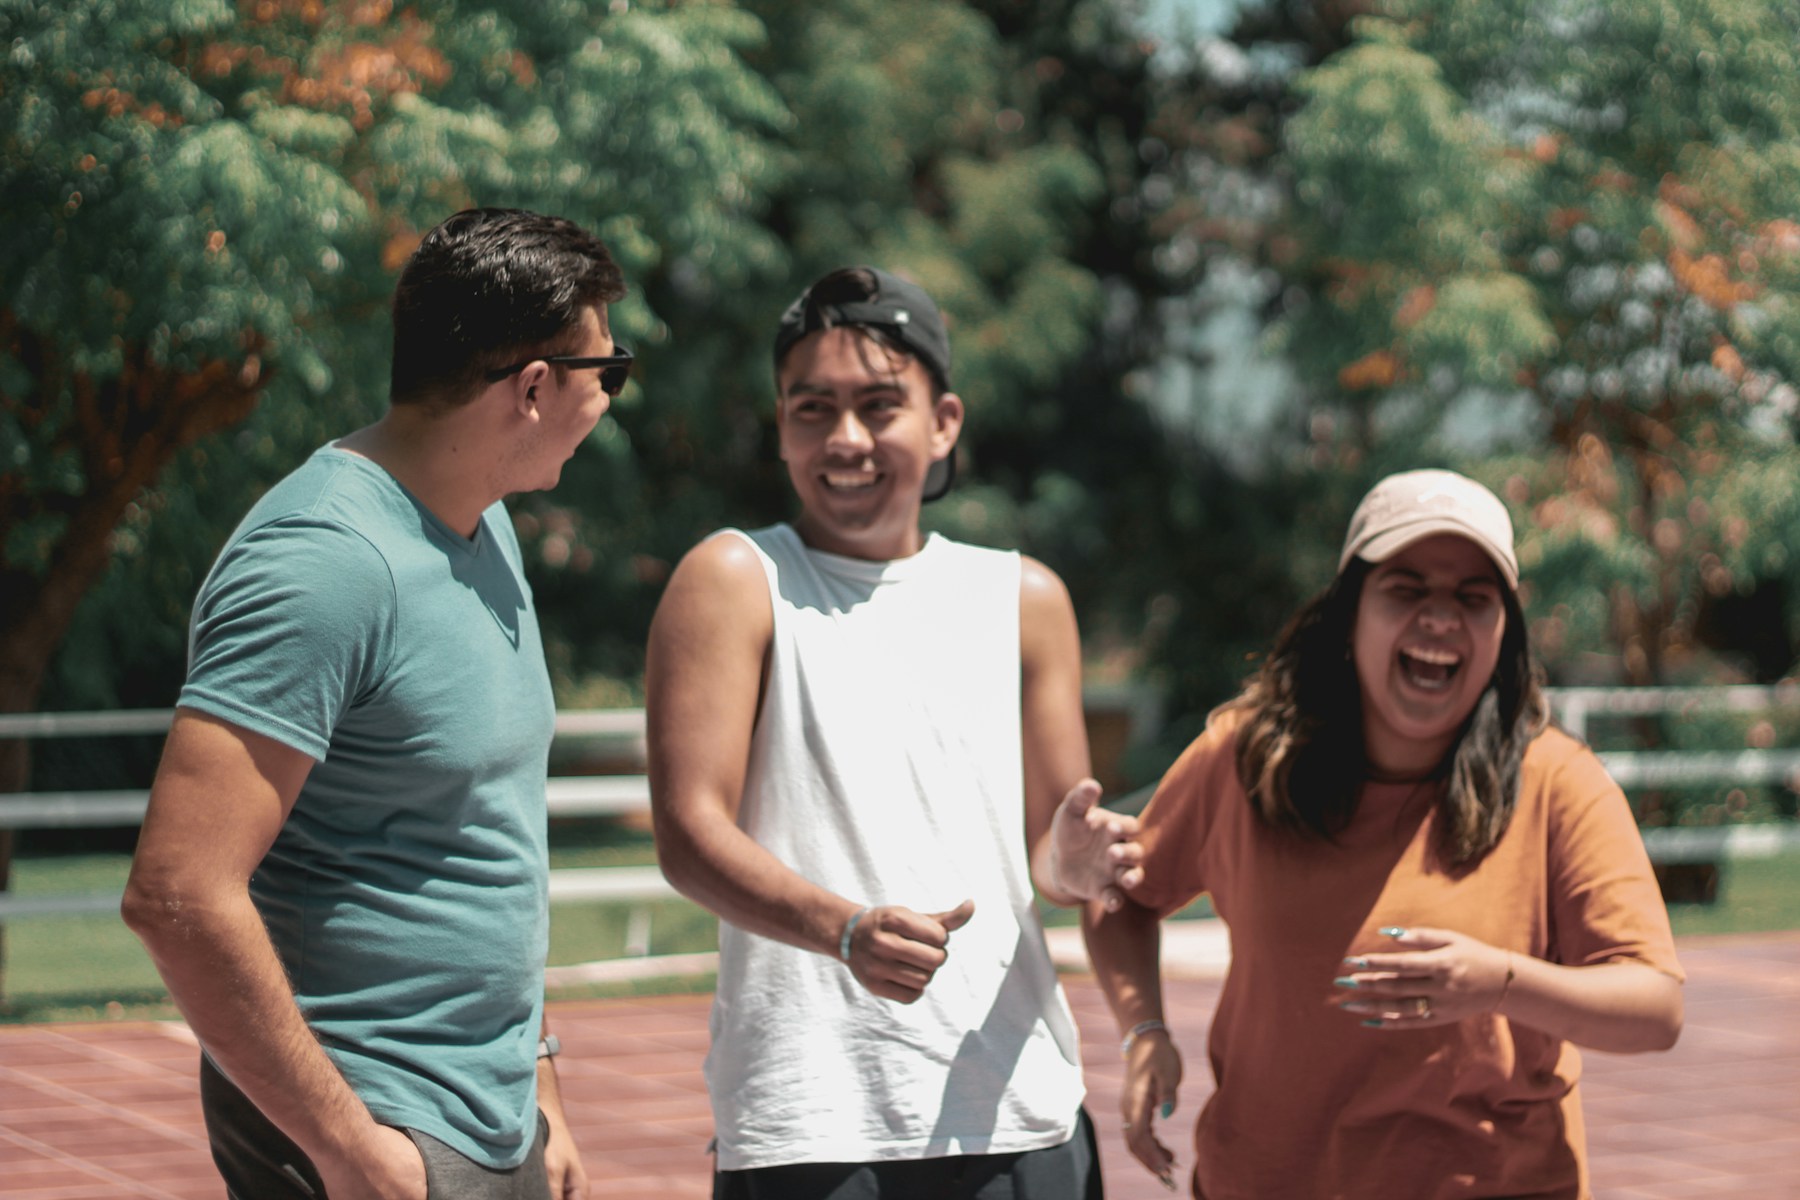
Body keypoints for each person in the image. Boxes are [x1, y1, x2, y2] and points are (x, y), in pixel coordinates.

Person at [123, 207, 631, 1200]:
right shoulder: (325, 564)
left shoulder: (487, 534)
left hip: (492, 1115)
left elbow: (488, 840)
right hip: (374, 1124)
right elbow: (177, 894)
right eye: (606, 373)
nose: (611, 399)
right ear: (534, 388)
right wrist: (352, 1151)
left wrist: (541, 1079)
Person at [645, 266, 1143, 1200]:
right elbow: (688, 835)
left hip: (1017, 1110)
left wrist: (1077, 864)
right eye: (812, 408)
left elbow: (1052, 854)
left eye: (881, 406)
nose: (846, 439)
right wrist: (845, 931)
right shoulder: (732, 578)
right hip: (812, 1124)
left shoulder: (1025, 599)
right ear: (781, 423)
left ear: (944, 421)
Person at [1082, 468, 1685, 1200]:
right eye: (1407, 589)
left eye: (1474, 597)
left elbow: (1654, 1009)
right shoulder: (1244, 759)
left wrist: (1500, 983)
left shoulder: (1559, 782)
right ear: (1348, 614)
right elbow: (1119, 895)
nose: (1440, 619)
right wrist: (1143, 1032)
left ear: (1505, 629)